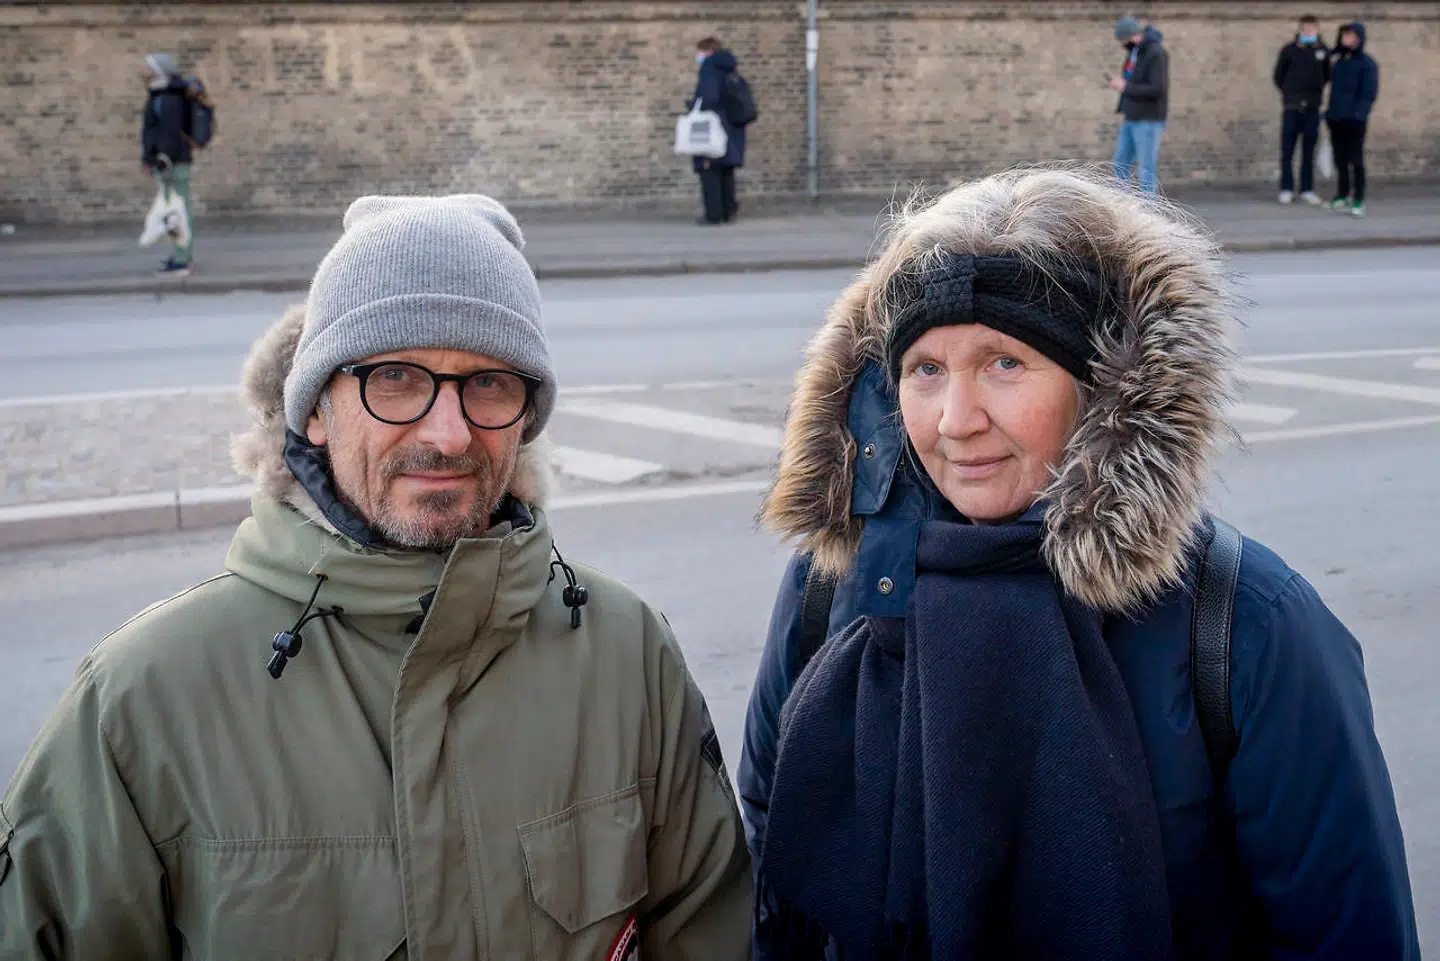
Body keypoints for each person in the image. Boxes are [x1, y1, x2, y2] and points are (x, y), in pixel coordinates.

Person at [0, 195, 752, 959]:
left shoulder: (628, 657)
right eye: (395, 377)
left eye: (490, 383)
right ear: (316, 408)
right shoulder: (142, 698)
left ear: (527, 415)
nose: (448, 431)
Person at [740, 167, 1419, 959]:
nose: (957, 421)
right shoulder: (836, 583)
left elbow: (1343, 935)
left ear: (1104, 388)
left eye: (1003, 363)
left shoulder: (1244, 624)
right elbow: (767, 828)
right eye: (926, 369)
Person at [140, 53, 197, 275]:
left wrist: (162, 159)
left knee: (178, 212)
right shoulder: (161, 93)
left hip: (172, 163)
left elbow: (168, 132)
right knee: (174, 211)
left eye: (147, 66)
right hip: (169, 162)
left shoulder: (169, 96)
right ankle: (180, 255)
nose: (143, 70)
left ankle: (182, 260)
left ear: (158, 70)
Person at [1109, 15, 1169, 194]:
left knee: (1146, 169)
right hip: (1131, 116)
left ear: (1133, 35)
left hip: (1148, 119)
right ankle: (1120, 207)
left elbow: (1157, 89)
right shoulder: (1134, 53)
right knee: (1120, 163)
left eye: (1124, 39)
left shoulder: (1156, 53)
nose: (1123, 43)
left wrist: (1126, 87)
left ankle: (1150, 212)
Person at [1273, 14, 1330, 205]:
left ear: (1317, 29)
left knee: (1308, 151)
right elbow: (1278, 76)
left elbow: (1327, 76)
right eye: (1305, 28)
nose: (1308, 31)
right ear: (1299, 29)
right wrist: (1290, 94)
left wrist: (1314, 94)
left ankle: (1307, 189)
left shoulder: (1323, 51)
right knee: (1287, 151)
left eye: (1312, 28)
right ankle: (1286, 189)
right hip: (1291, 107)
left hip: (1312, 109)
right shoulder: (1289, 50)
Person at [690, 37, 746, 225]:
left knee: (709, 170)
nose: (698, 56)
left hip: (712, 127)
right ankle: (728, 211)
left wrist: (693, 106)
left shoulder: (709, 70)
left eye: (700, 52)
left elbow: (709, 98)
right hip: (730, 129)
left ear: (708, 51)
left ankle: (713, 214)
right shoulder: (730, 70)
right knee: (726, 171)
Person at [1326, 22, 1379, 218]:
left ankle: (1359, 199)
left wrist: (1359, 115)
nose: (1345, 39)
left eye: (1350, 36)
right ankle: (1342, 194)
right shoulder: (1339, 61)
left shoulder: (1367, 64)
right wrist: (1329, 114)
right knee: (1339, 159)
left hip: (1354, 120)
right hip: (1336, 117)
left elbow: (1369, 93)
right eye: (1344, 35)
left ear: (1358, 38)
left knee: (1355, 160)